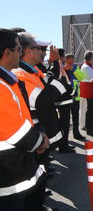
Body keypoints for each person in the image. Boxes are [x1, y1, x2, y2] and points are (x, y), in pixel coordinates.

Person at [0, 29, 49, 211]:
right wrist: (40, 141)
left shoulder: (9, 80)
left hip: (17, 163)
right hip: (10, 170)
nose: (21, 53)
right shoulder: (4, 84)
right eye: (18, 49)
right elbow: (18, 132)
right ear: (7, 53)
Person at [55, 49, 75, 153]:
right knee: (64, 124)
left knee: (64, 124)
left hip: (64, 100)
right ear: (62, 57)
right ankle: (63, 146)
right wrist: (71, 90)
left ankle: (64, 143)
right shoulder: (60, 66)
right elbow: (64, 83)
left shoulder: (60, 66)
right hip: (63, 101)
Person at [64, 53, 86, 140]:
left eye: (72, 62)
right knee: (65, 118)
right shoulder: (63, 69)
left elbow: (82, 78)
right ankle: (65, 138)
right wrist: (66, 68)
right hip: (66, 97)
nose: (71, 64)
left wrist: (73, 69)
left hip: (76, 96)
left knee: (75, 116)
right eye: (69, 63)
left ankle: (76, 133)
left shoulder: (75, 68)